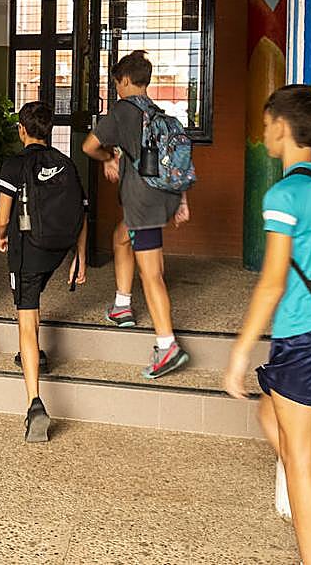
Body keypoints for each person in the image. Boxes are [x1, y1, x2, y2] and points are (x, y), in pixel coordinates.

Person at [223, 85, 311, 565]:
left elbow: (271, 283)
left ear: (282, 128)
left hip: (303, 338)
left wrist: (240, 352)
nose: (264, 132)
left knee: (300, 460)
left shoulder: (284, 194)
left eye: (267, 124)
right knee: (270, 416)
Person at [82, 50, 191, 379]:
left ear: (126, 80)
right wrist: (181, 201)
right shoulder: (158, 113)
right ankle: (122, 305)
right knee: (120, 238)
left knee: (152, 274)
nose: (116, 88)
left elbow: (89, 146)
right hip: (162, 197)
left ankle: (167, 345)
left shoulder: (122, 111)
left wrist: (108, 158)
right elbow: (174, 161)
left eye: (117, 82)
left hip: (142, 202)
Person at [0, 101, 88, 442]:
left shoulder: (14, 165)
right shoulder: (66, 163)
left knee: (26, 319)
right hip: (57, 251)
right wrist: (80, 256)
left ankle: (34, 403)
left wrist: (1, 236)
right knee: (33, 299)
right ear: (49, 130)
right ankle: (34, 354)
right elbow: (82, 211)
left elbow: (2, 219)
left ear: (22, 130)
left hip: (28, 252)